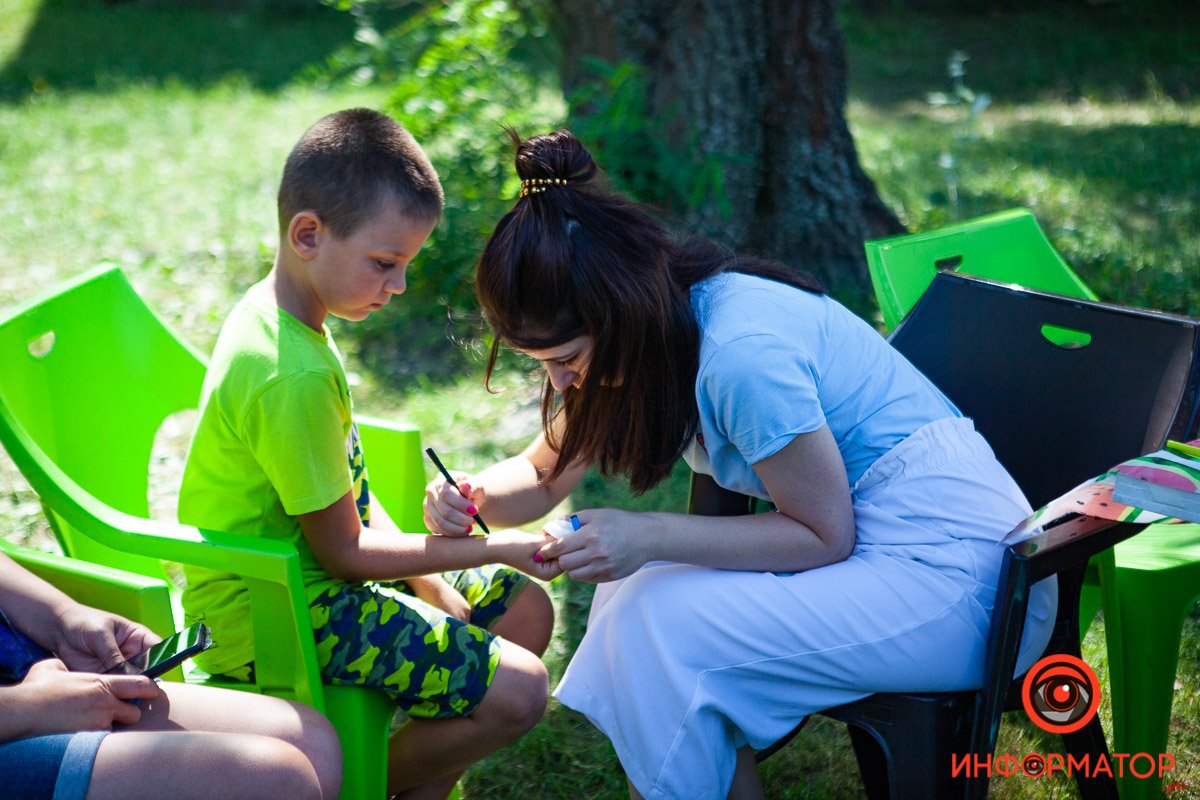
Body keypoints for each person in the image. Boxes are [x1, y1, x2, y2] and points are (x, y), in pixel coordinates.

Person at [423, 129, 1058, 800]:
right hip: (889, 552)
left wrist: (649, 534)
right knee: (633, 600)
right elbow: (542, 473)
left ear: (618, 309)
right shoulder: (642, 335)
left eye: (566, 360)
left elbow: (824, 534)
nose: (558, 383)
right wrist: (469, 495)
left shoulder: (740, 353)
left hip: (967, 581)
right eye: (540, 364)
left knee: (657, 624)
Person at [177, 109, 557, 800]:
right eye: (385, 264)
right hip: (274, 612)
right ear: (308, 235)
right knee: (522, 690)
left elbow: (347, 501)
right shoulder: (289, 373)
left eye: (405, 265)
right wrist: (495, 547)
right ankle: (362, 788)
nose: (399, 285)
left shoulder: (291, 321)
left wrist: (432, 584)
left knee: (524, 610)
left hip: (320, 584)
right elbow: (344, 555)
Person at [0, 549, 341, 800]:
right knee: (276, 780)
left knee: (312, 741)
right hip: (20, 713)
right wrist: (29, 708)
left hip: (33, 681)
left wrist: (61, 618)